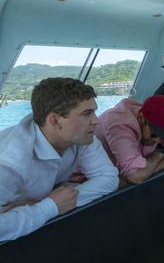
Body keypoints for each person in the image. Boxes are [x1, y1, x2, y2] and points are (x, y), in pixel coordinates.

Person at [0, 78, 119, 241]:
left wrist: (47, 203)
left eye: (94, 111)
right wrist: (50, 207)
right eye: (87, 114)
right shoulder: (10, 161)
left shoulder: (80, 136)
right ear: (54, 120)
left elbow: (109, 177)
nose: (96, 121)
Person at [95, 95, 164, 185]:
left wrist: (152, 168)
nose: (160, 141)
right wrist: (156, 157)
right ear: (141, 118)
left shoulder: (155, 117)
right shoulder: (118, 123)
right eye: (155, 134)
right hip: (90, 180)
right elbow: (135, 176)